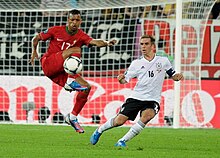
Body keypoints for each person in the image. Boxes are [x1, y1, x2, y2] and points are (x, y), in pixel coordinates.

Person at [29, 9, 116, 133]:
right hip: (48, 64)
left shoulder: (81, 35)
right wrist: (34, 52)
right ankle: (70, 81)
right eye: (72, 20)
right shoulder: (56, 30)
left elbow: (95, 42)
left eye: (77, 20)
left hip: (62, 72)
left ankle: (73, 117)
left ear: (80, 21)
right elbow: (36, 38)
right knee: (75, 50)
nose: (74, 23)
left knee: (86, 88)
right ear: (68, 20)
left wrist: (107, 43)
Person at [90, 35, 183, 147]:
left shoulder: (163, 61)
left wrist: (177, 76)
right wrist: (121, 79)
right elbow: (125, 80)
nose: (143, 47)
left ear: (153, 46)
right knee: (119, 121)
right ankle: (99, 130)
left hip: (153, 99)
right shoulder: (136, 63)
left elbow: (172, 75)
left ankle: (122, 141)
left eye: (146, 44)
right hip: (136, 96)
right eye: (142, 44)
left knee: (147, 116)